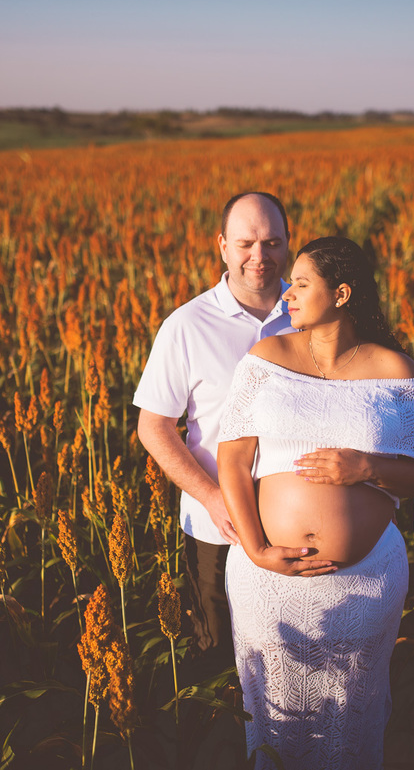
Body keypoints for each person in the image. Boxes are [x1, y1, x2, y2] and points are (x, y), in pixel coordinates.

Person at [216, 236, 414, 770]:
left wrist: (366, 467)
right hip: (270, 578)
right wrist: (256, 550)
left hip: (363, 582)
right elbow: (231, 461)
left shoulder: (397, 371)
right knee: (273, 714)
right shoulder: (265, 359)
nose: (286, 294)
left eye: (300, 283)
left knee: (351, 712)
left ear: (341, 293)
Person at [133, 192, 321, 675]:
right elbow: (153, 427)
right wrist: (214, 497)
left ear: (288, 245)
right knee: (218, 659)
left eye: (272, 242)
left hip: (299, 523)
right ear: (222, 247)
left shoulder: (312, 321)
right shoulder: (186, 326)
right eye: (246, 243)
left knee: (295, 658)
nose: (259, 256)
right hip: (217, 530)